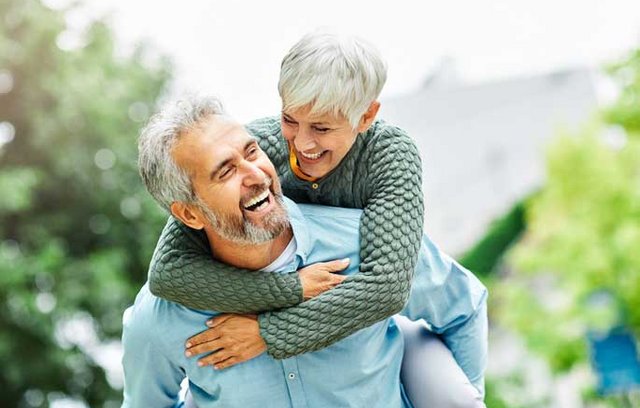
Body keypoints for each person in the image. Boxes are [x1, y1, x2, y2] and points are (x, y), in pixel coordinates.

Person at [123, 96, 488, 407]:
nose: (256, 174)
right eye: (225, 171)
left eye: (252, 151)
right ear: (189, 213)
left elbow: (464, 307)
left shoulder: (365, 243)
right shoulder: (161, 320)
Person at [146, 31, 424, 364]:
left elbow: (387, 288)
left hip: (410, 318)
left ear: (366, 116)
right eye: (290, 119)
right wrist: (290, 289)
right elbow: (168, 272)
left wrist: (267, 332)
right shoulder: (256, 148)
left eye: (321, 128)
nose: (302, 143)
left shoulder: (390, 155)